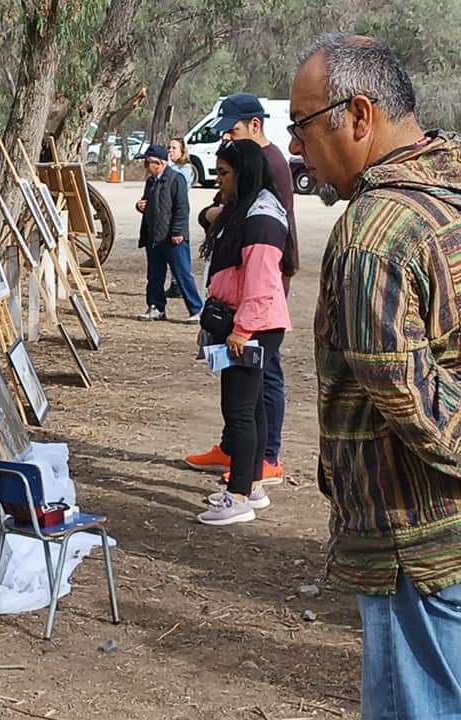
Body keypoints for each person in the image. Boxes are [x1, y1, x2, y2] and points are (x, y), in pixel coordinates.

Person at [290, 32, 461, 716]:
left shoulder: (376, 231)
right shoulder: (447, 191)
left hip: (412, 547)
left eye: (302, 127)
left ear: (360, 117)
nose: (297, 148)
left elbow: (406, 393)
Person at [185, 93, 298, 483]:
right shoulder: (244, 189)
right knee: (245, 401)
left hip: (257, 306)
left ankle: (258, 465)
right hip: (243, 303)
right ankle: (238, 451)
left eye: (233, 132)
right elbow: (222, 214)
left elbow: (264, 261)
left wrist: (243, 326)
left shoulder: (269, 177)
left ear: (255, 125)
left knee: (256, 391)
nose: (228, 139)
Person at [195, 140, 291, 525]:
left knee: (238, 411)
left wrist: (242, 329)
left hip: (252, 325)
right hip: (241, 321)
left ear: (245, 173)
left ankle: (237, 496)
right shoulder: (245, 210)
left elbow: (262, 281)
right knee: (252, 407)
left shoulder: (262, 218)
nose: (220, 182)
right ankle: (251, 484)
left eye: (225, 174)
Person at [136, 144, 202, 323]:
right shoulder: (151, 182)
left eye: (148, 162)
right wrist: (141, 206)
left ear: (159, 163)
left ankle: (196, 309)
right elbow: (150, 203)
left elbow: (182, 208)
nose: (146, 166)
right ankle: (156, 307)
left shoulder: (176, 179)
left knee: (182, 274)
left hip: (173, 238)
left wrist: (178, 231)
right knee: (154, 276)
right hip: (154, 237)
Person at [164, 137, 195, 298]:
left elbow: (177, 182)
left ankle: (181, 284)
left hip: (179, 211)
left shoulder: (186, 169)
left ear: (182, 151)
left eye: (174, 148)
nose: (170, 151)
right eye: (169, 148)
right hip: (166, 213)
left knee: (180, 250)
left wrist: (167, 164)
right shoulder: (169, 167)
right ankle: (175, 282)